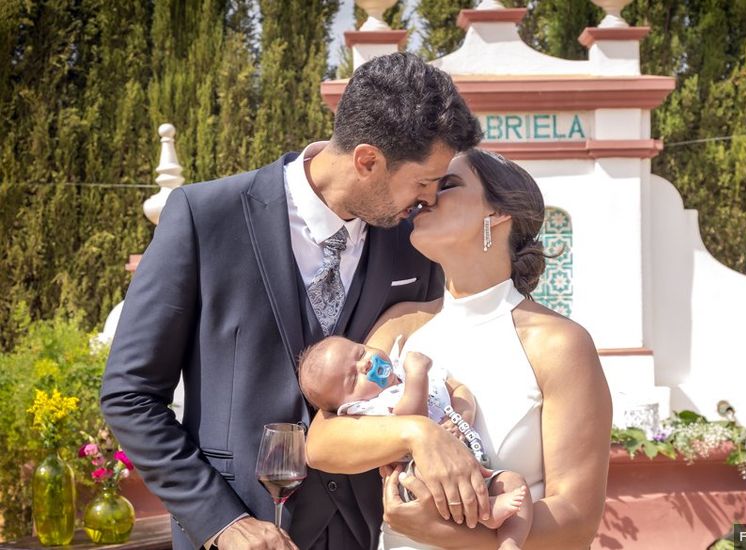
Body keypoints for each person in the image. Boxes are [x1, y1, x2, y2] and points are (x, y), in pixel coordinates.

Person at [100, 52, 484, 550]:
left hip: (371, 532)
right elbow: (129, 394)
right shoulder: (204, 216)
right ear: (367, 160)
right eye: (423, 182)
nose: (428, 200)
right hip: (239, 533)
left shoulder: (411, 244)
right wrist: (221, 522)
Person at [306, 149, 613, 549]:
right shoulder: (401, 323)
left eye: (446, 185)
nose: (425, 197)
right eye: (425, 187)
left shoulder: (558, 343)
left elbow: (576, 522)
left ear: (499, 214)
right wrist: (418, 433)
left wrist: (447, 534)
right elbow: (321, 444)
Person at [297, 336, 532, 549]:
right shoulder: (368, 406)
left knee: (515, 482)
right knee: (422, 474)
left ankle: (509, 543)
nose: (365, 365)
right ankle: (487, 510)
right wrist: (417, 375)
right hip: (419, 477)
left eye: (360, 353)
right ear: (344, 405)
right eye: (352, 379)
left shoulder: (400, 367)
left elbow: (459, 390)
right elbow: (411, 418)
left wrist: (460, 417)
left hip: (470, 463)